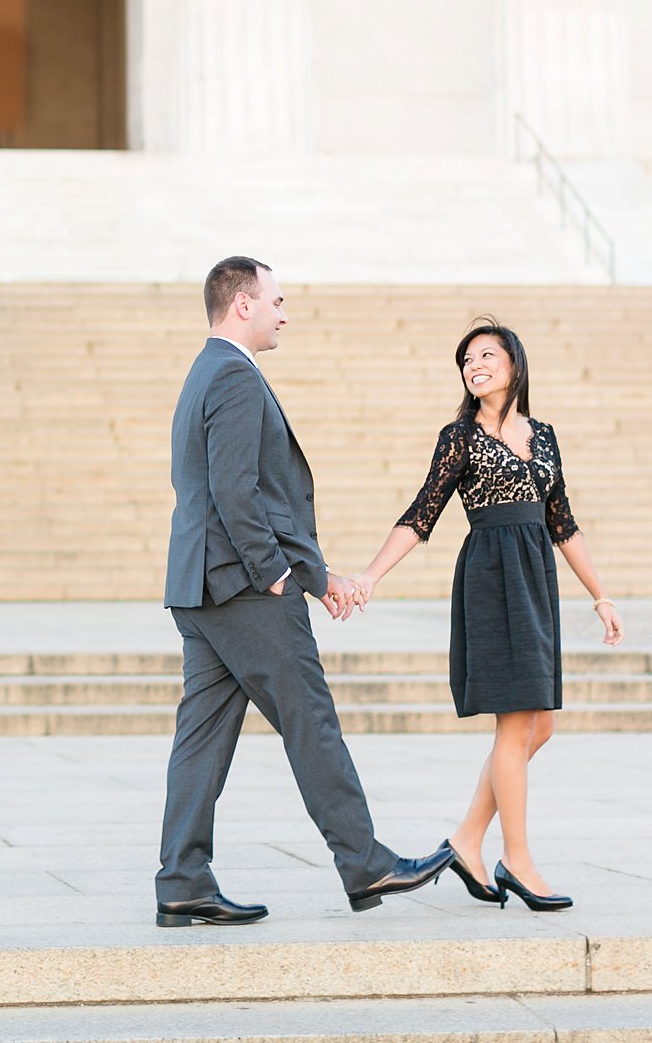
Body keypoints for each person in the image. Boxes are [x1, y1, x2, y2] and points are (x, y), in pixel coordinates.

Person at [154, 256, 452, 927]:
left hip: (202, 589)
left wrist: (317, 578)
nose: (285, 313)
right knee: (310, 717)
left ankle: (181, 879)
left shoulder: (204, 372)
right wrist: (277, 572)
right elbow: (239, 491)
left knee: (201, 736)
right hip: (244, 588)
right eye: (277, 300)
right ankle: (364, 858)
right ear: (242, 305)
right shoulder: (232, 375)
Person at [343, 317, 623, 912]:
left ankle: (467, 840)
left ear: (515, 364)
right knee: (515, 723)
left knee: (540, 723)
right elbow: (423, 511)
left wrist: (600, 594)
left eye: (486, 355)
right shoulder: (460, 437)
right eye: (467, 361)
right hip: (491, 577)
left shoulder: (543, 435)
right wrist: (370, 574)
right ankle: (517, 861)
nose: (475, 366)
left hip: (536, 580)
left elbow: (562, 522)